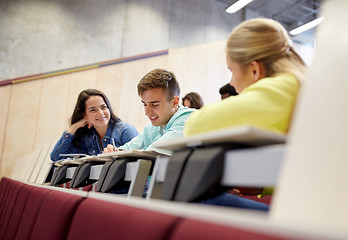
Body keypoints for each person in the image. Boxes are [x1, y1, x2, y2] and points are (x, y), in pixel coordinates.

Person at [184, 18, 307, 211]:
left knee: (192, 197)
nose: (232, 82)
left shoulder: (283, 87)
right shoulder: (302, 83)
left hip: (305, 219)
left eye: (232, 71)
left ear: (254, 69)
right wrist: (261, 185)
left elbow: (194, 126)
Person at [104, 68, 195, 153]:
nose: (147, 112)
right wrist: (114, 151)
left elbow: (155, 151)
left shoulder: (188, 119)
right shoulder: (153, 127)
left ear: (175, 102)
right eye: (145, 104)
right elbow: (129, 148)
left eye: (154, 105)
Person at [50, 89, 138, 161]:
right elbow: (57, 157)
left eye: (104, 107)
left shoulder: (126, 131)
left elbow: (139, 162)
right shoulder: (88, 137)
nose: (101, 113)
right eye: (93, 110)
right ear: (84, 115)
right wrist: (72, 129)